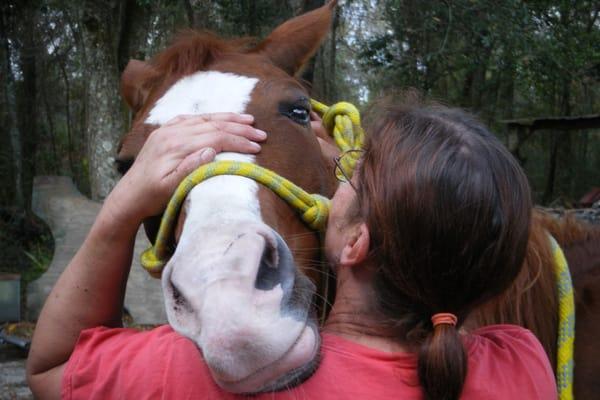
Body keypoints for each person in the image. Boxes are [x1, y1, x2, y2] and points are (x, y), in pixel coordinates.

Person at [27, 97, 556, 399]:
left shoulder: (207, 371)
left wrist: (121, 208)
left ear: (356, 241)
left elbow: (50, 369)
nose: (339, 177)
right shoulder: (522, 362)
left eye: (353, 174)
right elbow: (450, 257)